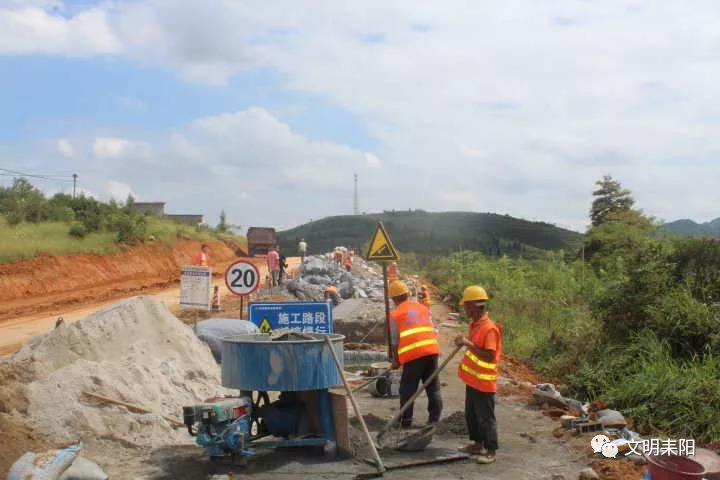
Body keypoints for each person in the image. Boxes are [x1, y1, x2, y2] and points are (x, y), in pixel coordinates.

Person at [454, 285, 501, 464]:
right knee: (471, 414)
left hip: (484, 382)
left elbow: (489, 355)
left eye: (467, 306)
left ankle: (491, 450)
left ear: (476, 305)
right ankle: (477, 444)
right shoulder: (475, 325)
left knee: (485, 418)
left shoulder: (489, 328)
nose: (466, 310)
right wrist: (465, 342)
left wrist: (468, 344)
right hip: (473, 380)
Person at [388, 280, 442, 428]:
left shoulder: (395, 314)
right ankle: (434, 420)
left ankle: (405, 422)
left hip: (414, 356)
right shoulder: (422, 307)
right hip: (431, 351)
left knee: (407, 389)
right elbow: (431, 328)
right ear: (407, 294)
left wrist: (395, 361)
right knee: (433, 387)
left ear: (394, 299)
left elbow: (395, 341)